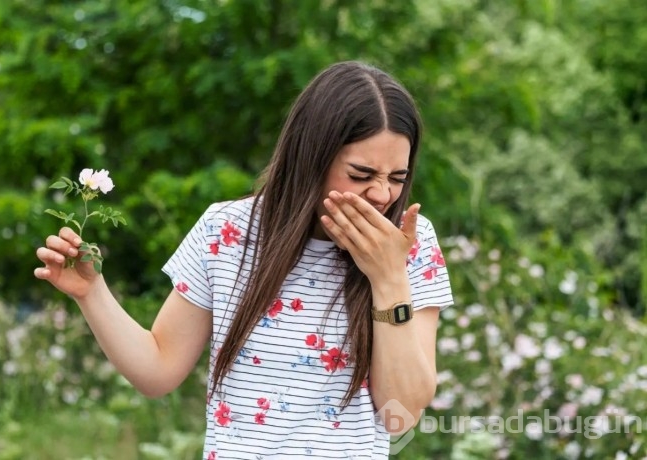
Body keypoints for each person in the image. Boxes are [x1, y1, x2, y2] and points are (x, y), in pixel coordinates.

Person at [34, 61, 453, 459]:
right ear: (311, 159)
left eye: (397, 178)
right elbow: (158, 370)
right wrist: (92, 293)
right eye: (361, 175)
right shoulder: (228, 231)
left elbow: (404, 411)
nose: (382, 195)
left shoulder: (411, 244)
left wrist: (389, 279)